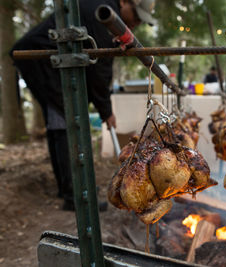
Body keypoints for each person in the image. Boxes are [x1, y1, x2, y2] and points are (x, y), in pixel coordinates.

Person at [10, 0, 156, 211]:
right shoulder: (105, 13)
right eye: (136, 15)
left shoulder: (108, 13)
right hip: (41, 57)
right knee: (65, 120)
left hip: (47, 59)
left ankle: (70, 188)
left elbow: (97, 65)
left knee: (59, 121)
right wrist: (106, 111)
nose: (137, 23)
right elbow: (99, 70)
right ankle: (75, 197)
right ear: (124, 2)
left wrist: (103, 107)